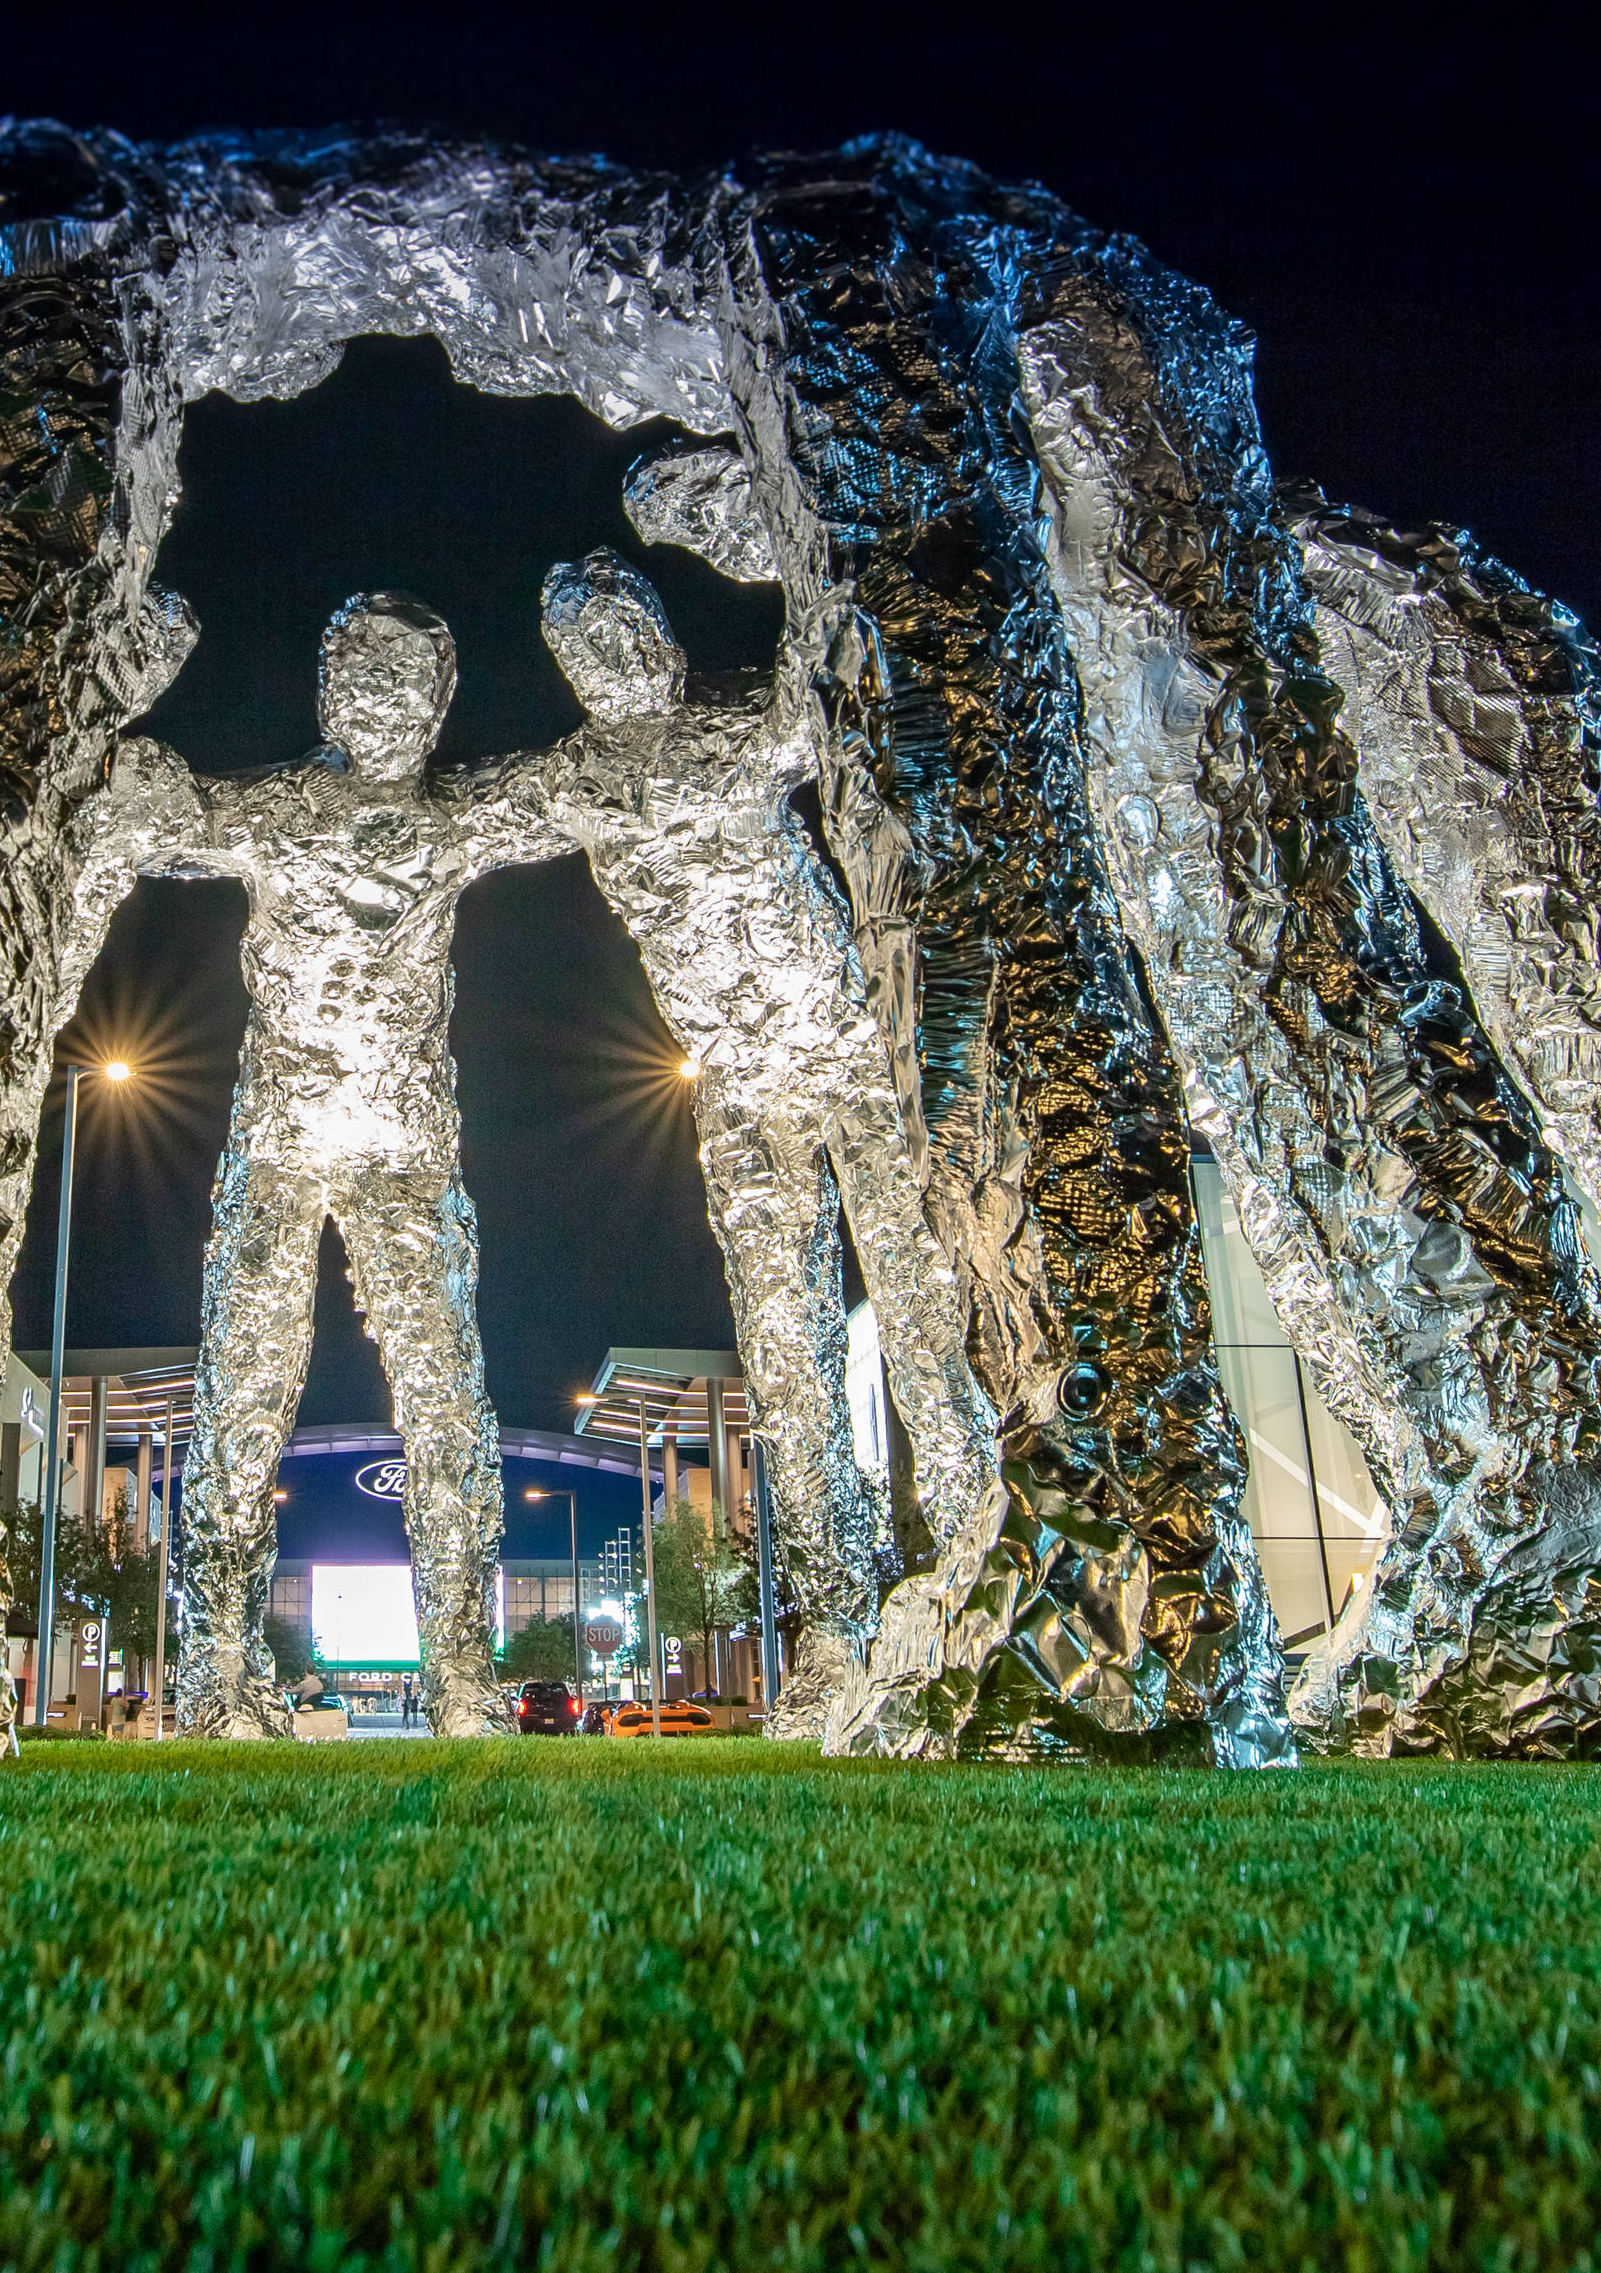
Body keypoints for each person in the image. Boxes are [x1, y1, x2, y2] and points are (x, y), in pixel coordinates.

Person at [535, 551, 1004, 1731]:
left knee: (921, 1312)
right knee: (785, 1371)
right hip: (742, 1098)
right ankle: (837, 1635)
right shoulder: (578, 778)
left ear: (667, 642)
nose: (615, 659)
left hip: (846, 1057)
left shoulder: (749, 722)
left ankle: (987, 1563)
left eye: (629, 632)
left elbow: (851, 670)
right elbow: (426, 822)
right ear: (566, 673)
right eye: (585, 648)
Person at [104, 595, 577, 1737]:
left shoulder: (455, 816)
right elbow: (158, 818)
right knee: (241, 1400)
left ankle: (462, 1674)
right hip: (280, 1148)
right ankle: (214, 1674)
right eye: (364, 672)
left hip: (405, 1155)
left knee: (447, 1405)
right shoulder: (272, 813)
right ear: (328, 692)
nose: (385, 698)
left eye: (409, 678)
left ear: (439, 702)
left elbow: (581, 787)